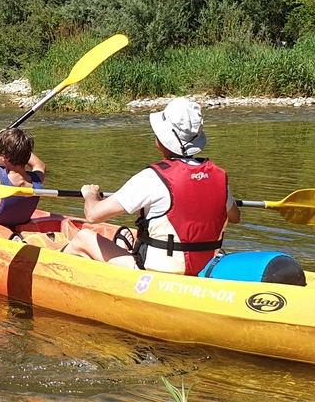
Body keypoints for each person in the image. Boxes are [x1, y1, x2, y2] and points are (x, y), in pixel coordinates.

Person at [62, 98, 240, 275]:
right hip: (205, 267)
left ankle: (55, 269)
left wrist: (91, 196)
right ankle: (121, 246)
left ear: (162, 139)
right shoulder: (218, 176)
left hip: (156, 272)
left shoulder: (152, 178)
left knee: (83, 237)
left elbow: (93, 216)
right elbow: (234, 217)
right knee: (131, 235)